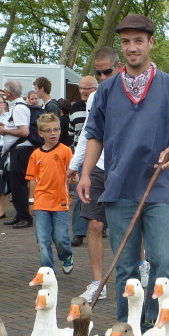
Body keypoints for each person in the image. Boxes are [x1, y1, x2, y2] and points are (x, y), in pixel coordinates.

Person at [78, 14, 169, 326]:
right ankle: (127, 330)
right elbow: (95, 135)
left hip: (157, 188)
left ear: (151, 42)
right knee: (126, 267)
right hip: (119, 188)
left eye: (138, 41)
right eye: (126, 41)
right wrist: (86, 173)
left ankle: (155, 329)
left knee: (162, 261)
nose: (132, 47)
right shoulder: (106, 90)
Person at [70, 48, 121, 301]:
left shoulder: (132, 93)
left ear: (119, 67)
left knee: (129, 226)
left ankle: (140, 270)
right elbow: (89, 136)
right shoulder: (94, 99)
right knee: (94, 224)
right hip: (99, 167)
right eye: (98, 73)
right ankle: (97, 282)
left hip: (125, 169)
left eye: (107, 72)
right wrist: (76, 166)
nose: (102, 78)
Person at [26, 113, 74, 273]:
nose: (53, 133)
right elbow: (32, 179)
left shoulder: (66, 151)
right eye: (48, 130)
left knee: (61, 238)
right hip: (41, 201)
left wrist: (74, 185)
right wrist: (31, 201)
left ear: (60, 130)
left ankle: (66, 256)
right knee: (42, 239)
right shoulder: (36, 155)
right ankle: (47, 271)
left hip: (60, 200)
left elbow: (72, 173)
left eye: (56, 129)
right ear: (40, 133)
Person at [4, 80, 37, 229]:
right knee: (16, 184)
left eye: (5, 90)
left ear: (9, 92)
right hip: (20, 149)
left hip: (21, 150)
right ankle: (20, 215)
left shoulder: (18, 108)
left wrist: (5, 131)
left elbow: (24, 131)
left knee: (19, 184)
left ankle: (25, 217)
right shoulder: (18, 107)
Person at [69, 76, 96, 245]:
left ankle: (100, 225)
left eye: (88, 88)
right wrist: (74, 160)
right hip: (81, 156)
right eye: (81, 88)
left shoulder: (103, 102)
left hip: (100, 156)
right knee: (81, 193)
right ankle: (79, 232)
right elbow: (72, 133)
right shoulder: (75, 108)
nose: (83, 92)